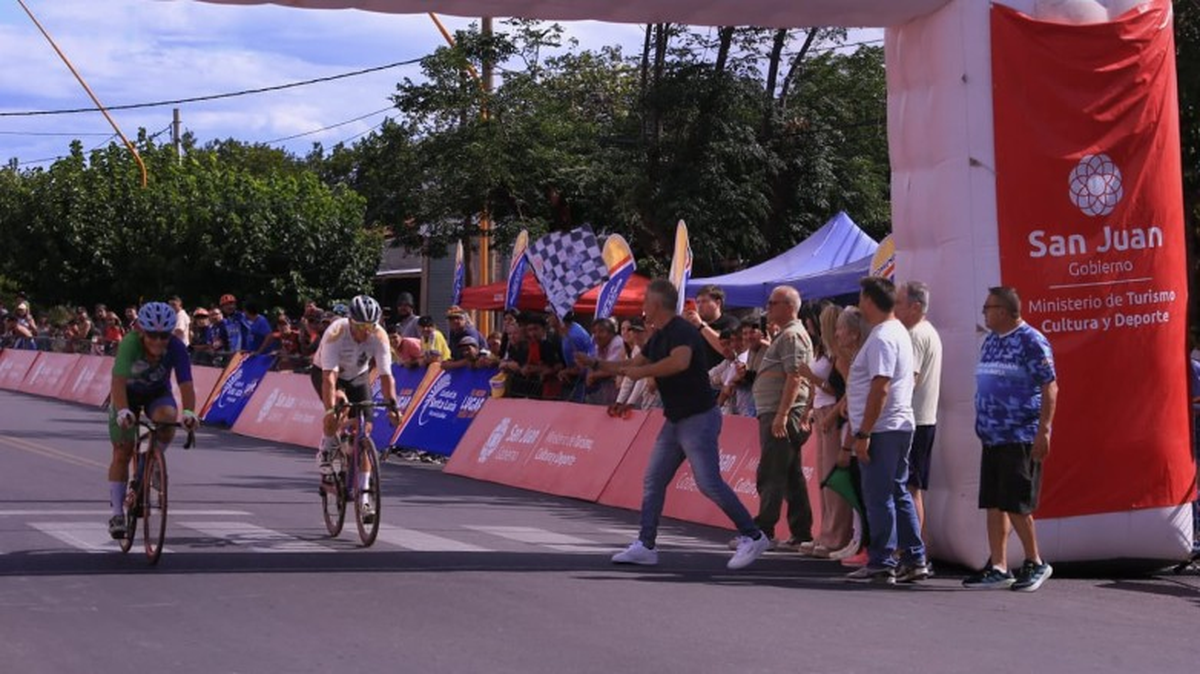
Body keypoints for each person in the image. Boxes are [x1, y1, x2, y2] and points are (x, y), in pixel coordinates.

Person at [582, 279, 771, 570]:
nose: (643, 306)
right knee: (654, 480)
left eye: (646, 301)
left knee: (708, 483)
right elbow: (634, 366)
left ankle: (753, 536)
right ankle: (646, 546)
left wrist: (643, 370)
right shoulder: (659, 336)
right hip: (676, 420)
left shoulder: (682, 330)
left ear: (657, 304)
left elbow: (679, 362)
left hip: (699, 417)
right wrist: (597, 364)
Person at [964, 286, 1057, 592]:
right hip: (992, 436)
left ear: (1003, 311)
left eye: (987, 308)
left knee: (1017, 503)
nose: (984, 313)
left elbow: (1050, 386)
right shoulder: (991, 340)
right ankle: (999, 566)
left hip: (1018, 434)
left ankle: (1035, 561)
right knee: (994, 503)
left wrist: (1044, 430)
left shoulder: (1031, 341)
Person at [844, 276, 926, 586]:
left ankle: (882, 561)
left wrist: (864, 433)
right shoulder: (896, 332)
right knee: (897, 492)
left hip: (882, 428)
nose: (859, 305)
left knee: (879, 497)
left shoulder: (882, 337)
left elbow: (881, 387)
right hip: (895, 425)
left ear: (868, 300)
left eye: (861, 299)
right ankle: (913, 558)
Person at [105, 302, 200, 538]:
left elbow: (186, 383)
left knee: (168, 418)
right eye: (152, 336)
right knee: (123, 451)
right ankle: (117, 514)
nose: (158, 341)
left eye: (164, 336)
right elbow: (118, 381)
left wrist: (189, 412)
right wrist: (123, 411)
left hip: (156, 394)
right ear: (141, 332)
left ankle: (151, 460)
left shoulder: (176, 347)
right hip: (126, 395)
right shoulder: (130, 343)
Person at [310, 295, 400, 521]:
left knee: (365, 431)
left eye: (370, 326)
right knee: (338, 406)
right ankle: (327, 448)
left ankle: (365, 498)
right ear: (350, 321)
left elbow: (386, 376)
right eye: (361, 326)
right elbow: (329, 379)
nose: (366, 331)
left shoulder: (379, 335)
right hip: (328, 373)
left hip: (358, 377)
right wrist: (330, 410)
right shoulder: (336, 332)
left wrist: (393, 406)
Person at [747, 286, 814, 551]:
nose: (768, 308)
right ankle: (801, 532)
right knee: (789, 475)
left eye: (773, 303)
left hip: (781, 411)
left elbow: (795, 376)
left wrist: (782, 414)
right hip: (779, 410)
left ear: (789, 306)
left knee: (771, 472)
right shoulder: (786, 334)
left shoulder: (792, 335)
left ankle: (763, 531)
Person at [895, 281, 942, 540]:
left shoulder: (914, 335)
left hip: (912, 421)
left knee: (908, 488)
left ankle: (911, 548)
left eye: (899, 303)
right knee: (911, 488)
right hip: (921, 419)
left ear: (915, 307)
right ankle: (913, 547)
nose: (894, 308)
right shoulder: (927, 331)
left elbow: (908, 382)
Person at [682, 284, 740, 369]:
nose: (699, 306)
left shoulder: (730, 322)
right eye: (698, 302)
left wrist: (701, 326)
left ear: (718, 303)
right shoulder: (693, 326)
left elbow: (726, 349)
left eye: (704, 301)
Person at [548, 311, 594, 402]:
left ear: (559, 317)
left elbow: (582, 367)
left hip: (582, 385)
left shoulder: (573, 337)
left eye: (550, 315)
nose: (547, 319)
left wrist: (565, 371)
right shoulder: (571, 329)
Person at [584, 317, 625, 405]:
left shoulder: (617, 343)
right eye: (594, 332)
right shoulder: (600, 344)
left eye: (601, 331)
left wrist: (593, 375)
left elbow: (611, 369)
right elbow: (593, 364)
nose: (597, 335)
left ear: (611, 333)